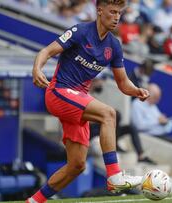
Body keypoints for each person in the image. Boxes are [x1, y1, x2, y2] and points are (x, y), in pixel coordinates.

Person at [28, 0, 150, 202]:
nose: (117, 17)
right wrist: (37, 69)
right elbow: (46, 51)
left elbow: (122, 82)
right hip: (59, 92)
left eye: (119, 13)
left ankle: (33, 201)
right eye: (113, 11)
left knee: (77, 166)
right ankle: (114, 176)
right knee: (109, 114)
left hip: (78, 100)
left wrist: (136, 90)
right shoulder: (80, 31)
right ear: (100, 11)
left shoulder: (114, 45)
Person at [131, 83, 172, 149]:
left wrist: (165, 122)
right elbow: (139, 126)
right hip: (150, 136)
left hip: (160, 134)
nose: (158, 100)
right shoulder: (137, 104)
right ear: (149, 95)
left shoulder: (153, 106)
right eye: (156, 98)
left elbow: (163, 124)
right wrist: (158, 121)